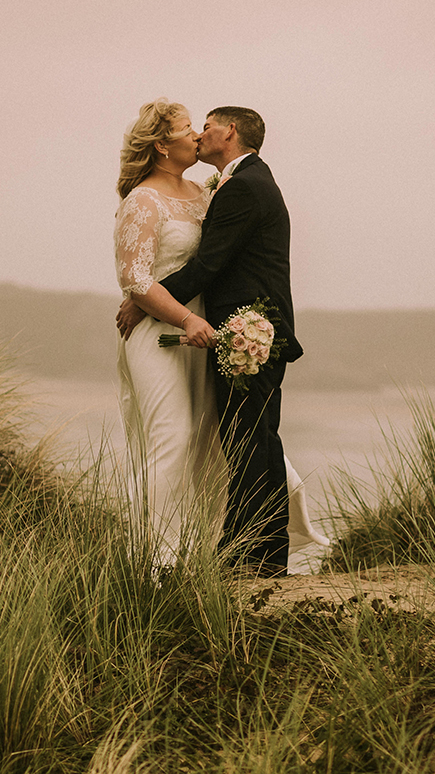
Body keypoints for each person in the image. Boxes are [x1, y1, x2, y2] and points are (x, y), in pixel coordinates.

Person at [114, 101, 327, 575]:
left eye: (201, 127)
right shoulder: (161, 198)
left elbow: (207, 265)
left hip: (223, 332)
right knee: (193, 437)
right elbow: (146, 272)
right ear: (161, 144)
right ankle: (162, 558)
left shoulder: (229, 188)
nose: (195, 135)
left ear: (228, 132)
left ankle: (253, 554)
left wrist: (146, 298)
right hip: (186, 333)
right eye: (187, 128)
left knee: (237, 441)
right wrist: (144, 298)